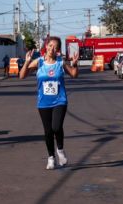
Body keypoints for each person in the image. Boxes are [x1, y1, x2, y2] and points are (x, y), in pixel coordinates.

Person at [19, 36, 79, 170]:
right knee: (48, 131)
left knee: (56, 127)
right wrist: (27, 62)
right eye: (51, 45)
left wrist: (74, 64)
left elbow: (74, 75)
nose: (52, 49)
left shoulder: (60, 63)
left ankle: (60, 150)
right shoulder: (39, 62)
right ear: (46, 46)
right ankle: (51, 158)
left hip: (60, 101)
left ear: (58, 50)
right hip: (43, 103)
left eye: (56, 47)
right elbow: (21, 76)